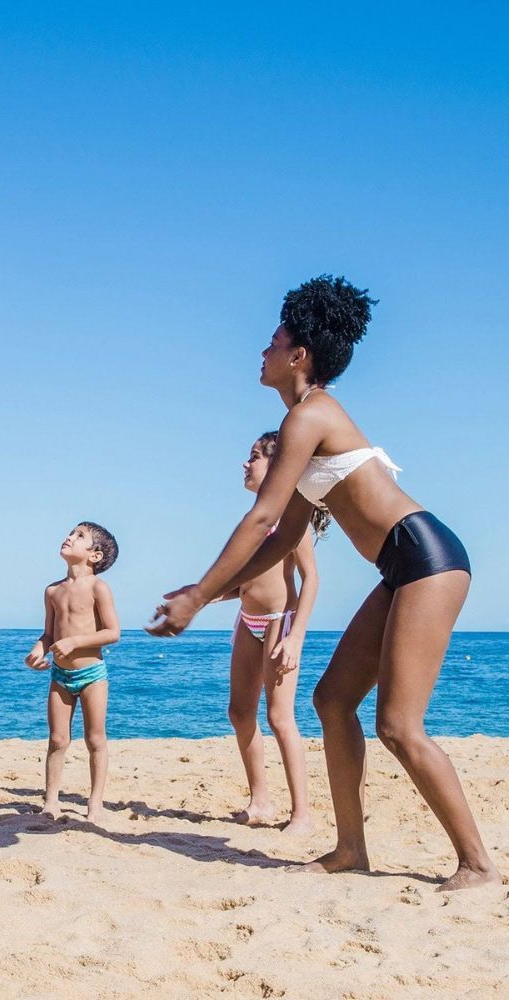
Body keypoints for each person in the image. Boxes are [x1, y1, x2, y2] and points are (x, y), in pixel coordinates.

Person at [147, 275, 500, 891]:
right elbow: (283, 537)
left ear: (299, 355)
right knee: (332, 700)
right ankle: (350, 849)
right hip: (401, 566)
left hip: (428, 559)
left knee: (398, 725)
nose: (263, 351)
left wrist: (199, 596)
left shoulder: (311, 415)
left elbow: (261, 517)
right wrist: (216, 591)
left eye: (273, 340)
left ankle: (476, 864)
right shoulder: (305, 422)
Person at [212, 430, 323, 834]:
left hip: (280, 622)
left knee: (279, 717)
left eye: (255, 457)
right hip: (248, 621)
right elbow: (244, 581)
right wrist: (206, 597)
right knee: (240, 713)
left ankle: (303, 815)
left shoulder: (292, 520)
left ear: (278, 468)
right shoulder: (251, 522)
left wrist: (296, 638)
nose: (246, 463)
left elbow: (311, 579)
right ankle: (260, 801)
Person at [25, 523, 120, 823]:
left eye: (79, 536)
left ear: (95, 555)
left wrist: (76, 642)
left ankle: (95, 802)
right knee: (58, 739)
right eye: (71, 532)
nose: (69, 537)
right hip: (60, 677)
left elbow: (113, 632)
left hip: (92, 674)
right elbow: (48, 634)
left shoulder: (98, 588)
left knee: (95, 739)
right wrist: (37, 651)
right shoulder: (52, 590)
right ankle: (51, 801)